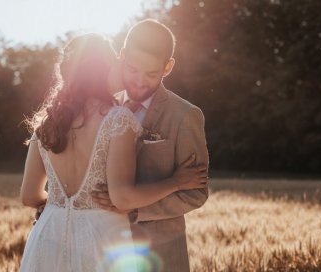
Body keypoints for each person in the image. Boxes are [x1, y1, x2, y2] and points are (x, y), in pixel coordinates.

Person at [19, 33, 208, 272]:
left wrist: (62, 206)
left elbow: (28, 196)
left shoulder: (47, 122)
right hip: (100, 238)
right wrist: (176, 182)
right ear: (107, 68)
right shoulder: (117, 118)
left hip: (49, 235)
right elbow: (122, 198)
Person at [90, 19, 210, 271]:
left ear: (168, 67)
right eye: (132, 69)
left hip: (160, 252)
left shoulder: (185, 115)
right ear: (122, 56)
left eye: (151, 74)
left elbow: (196, 192)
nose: (139, 82)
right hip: (101, 247)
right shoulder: (101, 106)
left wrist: (133, 208)